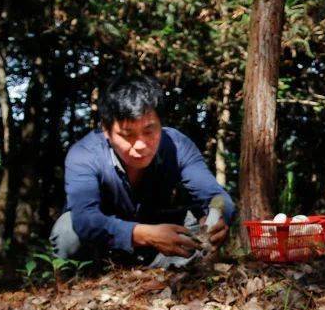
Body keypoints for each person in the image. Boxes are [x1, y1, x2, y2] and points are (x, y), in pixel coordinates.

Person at [51, 75, 234, 264]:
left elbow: (217, 196)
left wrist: (218, 218)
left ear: (161, 124)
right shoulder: (84, 154)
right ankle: (76, 284)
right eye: (127, 134)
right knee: (68, 230)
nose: (140, 144)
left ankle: (178, 278)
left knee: (195, 226)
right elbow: (85, 220)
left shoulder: (178, 145)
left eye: (149, 131)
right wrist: (145, 234)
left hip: (158, 243)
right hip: (101, 247)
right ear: (106, 130)